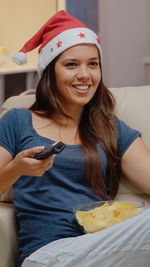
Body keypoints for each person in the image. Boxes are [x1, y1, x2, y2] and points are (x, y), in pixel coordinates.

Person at [0, 10, 150, 267]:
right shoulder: (17, 121)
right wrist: (17, 168)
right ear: (50, 71)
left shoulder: (108, 127)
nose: (85, 74)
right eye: (72, 64)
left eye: (93, 64)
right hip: (46, 255)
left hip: (105, 249)